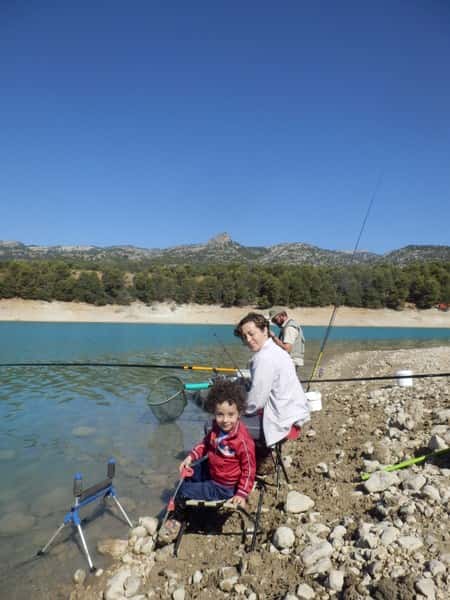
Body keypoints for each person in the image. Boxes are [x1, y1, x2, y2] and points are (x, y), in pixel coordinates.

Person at [234, 312, 310, 450]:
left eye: (251, 334)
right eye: (244, 337)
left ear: (265, 330)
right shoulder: (275, 349)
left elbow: (256, 402)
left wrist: (237, 411)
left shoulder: (263, 357)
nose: (248, 340)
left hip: (283, 421)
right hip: (296, 413)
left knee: (219, 424)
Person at [268, 306, 305, 371]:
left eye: (275, 320)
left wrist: (273, 337)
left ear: (281, 316)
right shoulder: (288, 325)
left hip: (291, 361)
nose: (274, 322)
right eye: (272, 321)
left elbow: (287, 349)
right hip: (290, 360)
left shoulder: (289, 328)